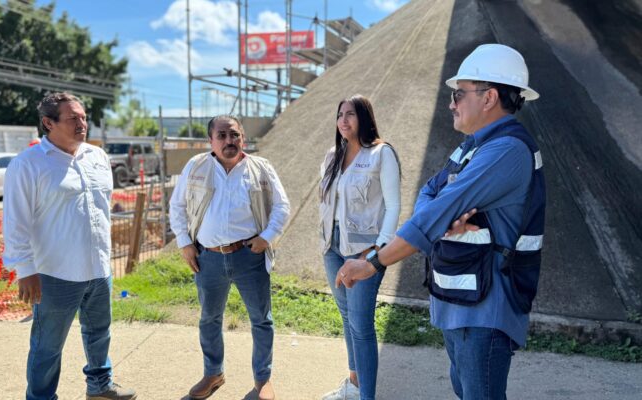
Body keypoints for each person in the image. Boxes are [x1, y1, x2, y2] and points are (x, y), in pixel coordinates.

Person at [337, 44, 546, 400]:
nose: (451, 103)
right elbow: (429, 194)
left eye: (459, 94)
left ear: (489, 97)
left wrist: (373, 262)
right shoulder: (472, 146)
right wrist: (445, 213)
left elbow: (436, 212)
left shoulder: (506, 150)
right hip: (461, 300)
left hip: (486, 308)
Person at [3, 92, 137, 400]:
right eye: (73, 118)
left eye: (84, 117)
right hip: (54, 273)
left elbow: (100, 209)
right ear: (48, 123)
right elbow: (15, 220)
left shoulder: (97, 157)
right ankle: (41, 396)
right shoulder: (28, 164)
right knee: (48, 345)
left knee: (99, 332)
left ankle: (100, 386)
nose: (82, 123)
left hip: (98, 268)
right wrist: (25, 269)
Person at [169, 115, 290, 400]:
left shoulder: (260, 168)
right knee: (209, 318)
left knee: (261, 320)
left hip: (249, 257)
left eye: (234, 135)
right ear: (210, 140)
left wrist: (267, 237)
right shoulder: (196, 166)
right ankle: (213, 373)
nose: (229, 141)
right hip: (208, 258)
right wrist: (184, 243)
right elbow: (177, 206)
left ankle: (262, 380)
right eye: (221, 135)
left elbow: (282, 206)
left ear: (243, 138)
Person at [318, 95, 401, 400]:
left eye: (350, 114)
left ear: (364, 117)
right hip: (332, 245)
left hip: (364, 249)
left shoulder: (381, 153)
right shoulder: (332, 156)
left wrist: (377, 249)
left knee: (361, 324)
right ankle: (354, 384)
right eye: (340, 114)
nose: (343, 120)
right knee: (346, 315)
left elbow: (393, 206)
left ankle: (367, 396)